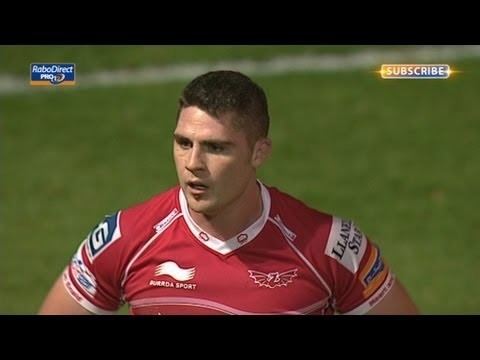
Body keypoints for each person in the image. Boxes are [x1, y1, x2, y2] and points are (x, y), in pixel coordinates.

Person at [39, 70, 419, 315]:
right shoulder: (126, 238)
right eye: (183, 143)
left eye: (216, 147)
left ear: (259, 152)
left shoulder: (330, 246)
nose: (193, 163)